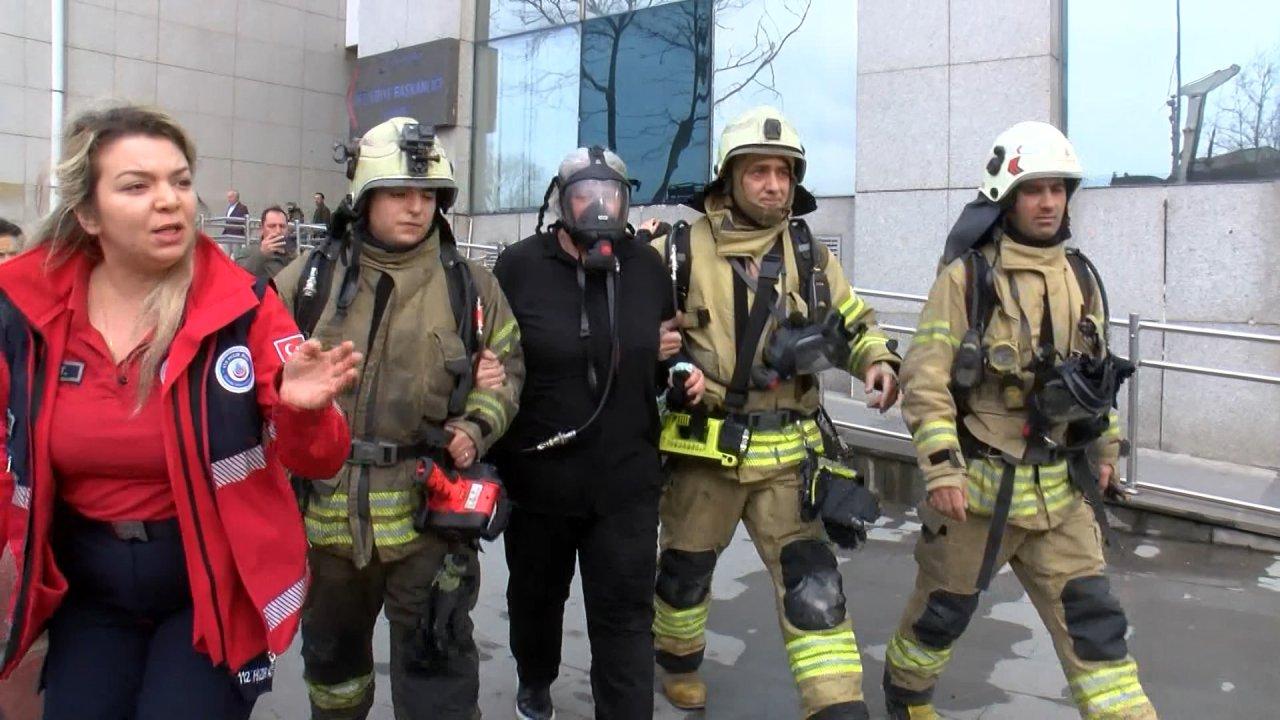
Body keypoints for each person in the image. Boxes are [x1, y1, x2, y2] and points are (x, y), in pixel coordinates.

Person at [0, 105, 359, 719]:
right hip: (88, 591)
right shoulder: (27, 310)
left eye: (181, 181)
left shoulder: (241, 305)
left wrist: (304, 413)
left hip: (209, 591)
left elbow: (320, 459)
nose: (170, 201)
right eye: (137, 185)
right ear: (88, 214)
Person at [881, 121, 1157, 720]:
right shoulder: (966, 281)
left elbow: (1095, 377)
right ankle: (905, 693)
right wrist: (941, 470)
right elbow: (924, 380)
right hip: (979, 498)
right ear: (1007, 198)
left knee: (1095, 626)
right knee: (941, 613)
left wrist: (1106, 451)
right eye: (1034, 189)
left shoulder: (1082, 278)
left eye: (1058, 188)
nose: (1049, 201)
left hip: (1062, 496)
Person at [647, 106, 900, 720]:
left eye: (784, 172)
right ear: (728, 178)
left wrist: (878, 362)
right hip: (702, 454)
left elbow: (855, 320)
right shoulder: (675, 251)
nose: (774, 185)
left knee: (814, 587)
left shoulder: (809, 253)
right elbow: (624, 335)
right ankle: (678, 661)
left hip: (789, 458)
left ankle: (836, 705)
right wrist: (657, 355)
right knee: (684, 574)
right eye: (758, 171)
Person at [272, 116, 524, 720]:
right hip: (325, 525)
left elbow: (508, 372)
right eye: (399, 193)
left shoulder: (473, 289)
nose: (416, 208)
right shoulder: (307, 282)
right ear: (365, 197)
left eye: (428, 195)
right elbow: (257, 382)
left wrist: (475, 426)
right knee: (333, 673)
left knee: (438, 674)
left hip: (430, 527)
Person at [492, 147, 706, 720]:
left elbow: (663, 349)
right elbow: (492, 355)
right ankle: (535, 680)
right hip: (539, 480)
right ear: (562, 202)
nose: (599, 206)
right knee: (536, 600)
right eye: (585, 195)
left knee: (625, 614)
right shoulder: (518, 265)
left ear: (625, 199)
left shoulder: (647, 267)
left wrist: (681, 369)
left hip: (627, 482)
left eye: (610, 195)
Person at [236, 205, 296, 279]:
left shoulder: (294, 254)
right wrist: (262, 254)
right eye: (272, 226)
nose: (278, 231)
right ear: (262, 228)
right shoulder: (247, 253)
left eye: (282, 226)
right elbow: (239, 277)